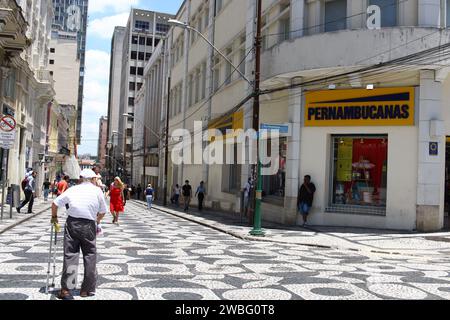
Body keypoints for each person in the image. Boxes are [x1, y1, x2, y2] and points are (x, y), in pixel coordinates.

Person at [51, 169, 107, 300]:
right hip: (89, 224)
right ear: (93, 179)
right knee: (90, 255)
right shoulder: (97, 191)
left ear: (81, 178)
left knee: (71, 254)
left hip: (72, 224)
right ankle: (86, 290)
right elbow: (103, 211)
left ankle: (67, 290)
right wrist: (97, 220)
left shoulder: (73, 189)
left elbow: (55, 204)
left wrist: (54, 217)